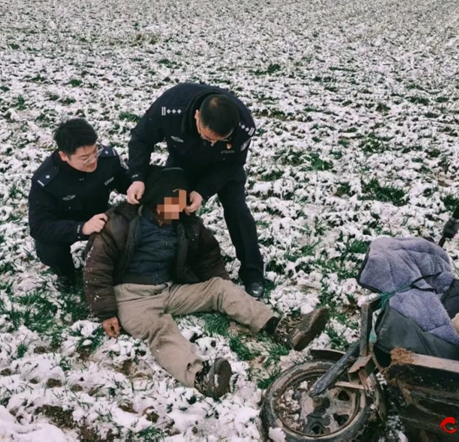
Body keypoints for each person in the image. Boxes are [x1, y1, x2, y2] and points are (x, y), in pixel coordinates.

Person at [83, 166, 328, 398]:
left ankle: (281, 328)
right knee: (161, 330)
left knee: (219, 288)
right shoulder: (119, 223)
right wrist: (106, 312)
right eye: (172, 204)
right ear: (155, 200)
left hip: (170, 289)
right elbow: (97, 268)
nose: (178, 210)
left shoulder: (185, 223)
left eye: (180, 204)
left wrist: (225, 290)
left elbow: (208, 256)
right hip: (131, 298)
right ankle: (201, 377)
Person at [126, 83, 265, 298]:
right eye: (208, 137)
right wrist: (137, 177)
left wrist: (202, 191)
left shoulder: (245, 124)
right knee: (172, 209)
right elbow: (141, 139)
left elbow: (234, 164)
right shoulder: (170, 106)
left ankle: (253, 273)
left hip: (224, 167)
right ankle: (170, 262)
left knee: (238, 212)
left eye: (219, 140)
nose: (211, 144)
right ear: (197, 116)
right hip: (183, 163)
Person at [28, 118, 131, 291]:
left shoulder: (107, 158)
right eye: (84, 158)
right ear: (64, 155)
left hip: (98, 211)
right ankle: (66, 275)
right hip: (63, 222)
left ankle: (116, 266)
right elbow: (38, 226)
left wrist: (137, 186)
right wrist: (81, 228)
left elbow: (126, 182)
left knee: (128, 229)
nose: (92, 160)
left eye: (94, 152)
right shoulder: (47, 181)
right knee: (49, 250)